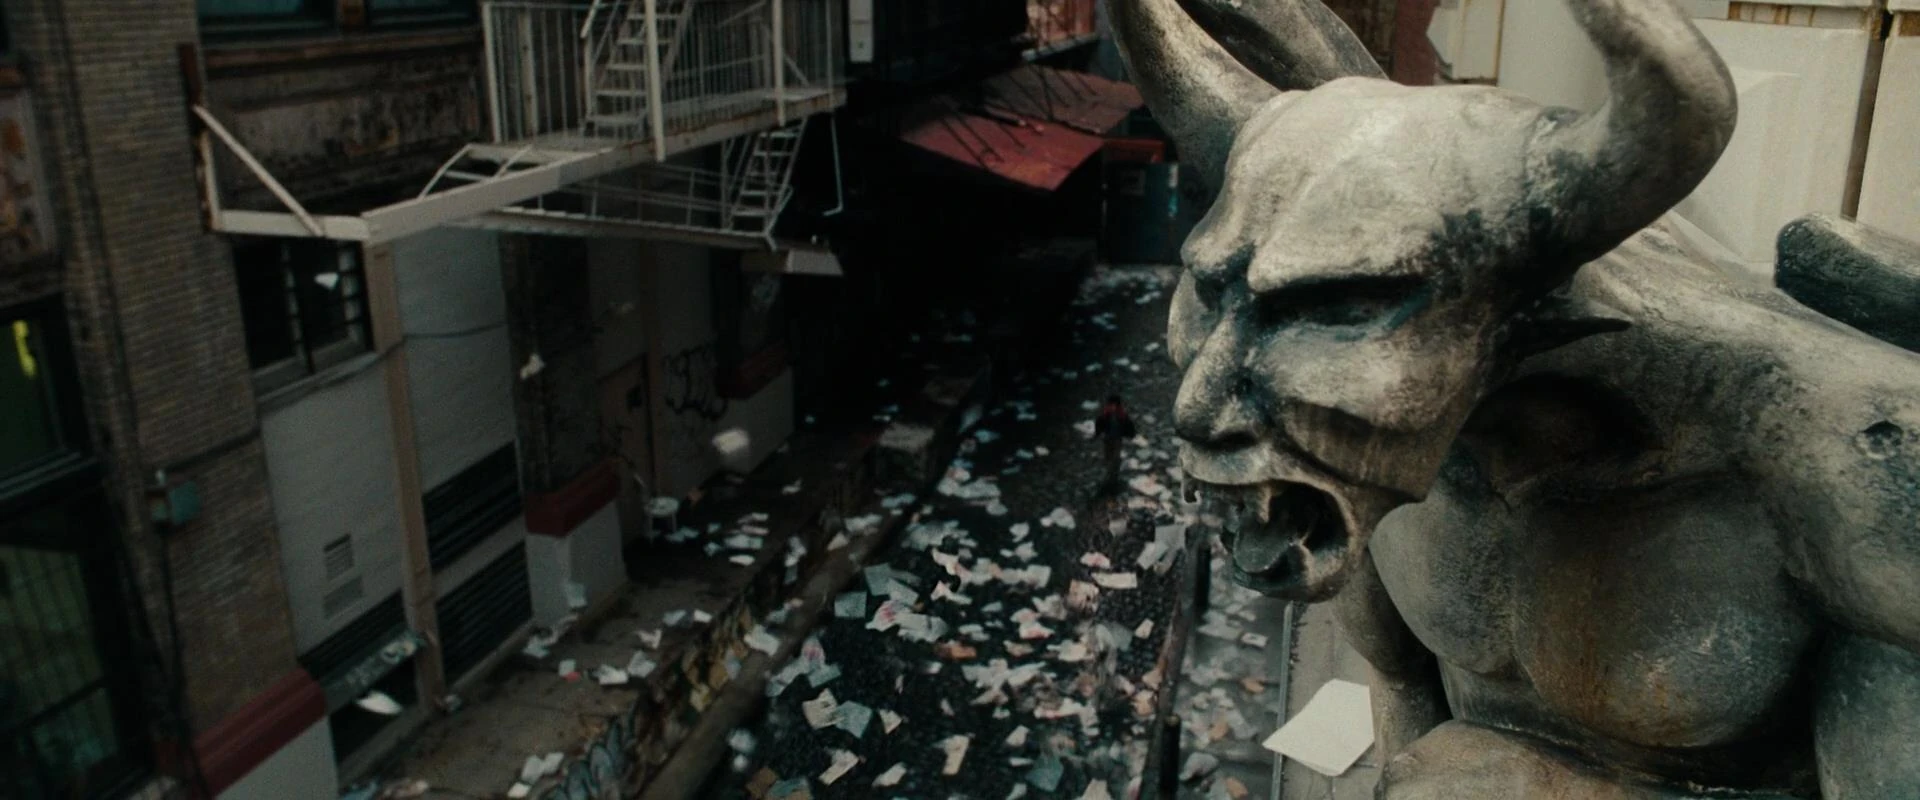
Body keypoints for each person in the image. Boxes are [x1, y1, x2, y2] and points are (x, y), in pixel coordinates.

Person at [1093, 394, 1136, 486]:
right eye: (1110, 405)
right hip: (1107, 438)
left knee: (1115, 458)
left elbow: (1129, 425)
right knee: (1108, 457)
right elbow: (1099, 423)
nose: (1112, 407)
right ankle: (1111, 476)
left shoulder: (1121, 415)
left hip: (1116, 439)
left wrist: (1130, 434)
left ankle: (1112, 478)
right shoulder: (1106, 414)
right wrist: (1097, 434)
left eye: (1113, 405)